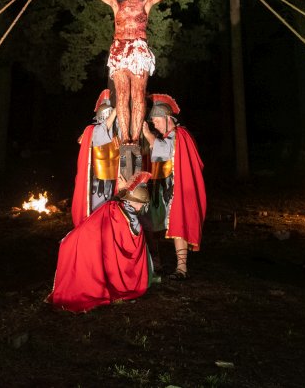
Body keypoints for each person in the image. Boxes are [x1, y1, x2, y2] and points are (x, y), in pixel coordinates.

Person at [62, 0, 207, 146]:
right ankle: (126, 140)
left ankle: (135, 139)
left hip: (138, 50)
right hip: (119, 50)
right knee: (122, 96)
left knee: (138, 95)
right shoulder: (114, 1)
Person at [49, 171, 152, 312]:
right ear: (130, 200)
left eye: (142, 204)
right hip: (86, 241)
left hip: (86, 240)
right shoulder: (116, 211)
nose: (140, 207)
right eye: (138, 203)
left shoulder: (119, 209)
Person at [141, 93, 206, 280]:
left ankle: (182, 269)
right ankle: (160, 265)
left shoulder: (179, 135)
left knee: (179, 224)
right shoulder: (170, 136)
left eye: (156, 121)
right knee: (159, 225)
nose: (155, 125)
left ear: (167, 118)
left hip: (179, 189)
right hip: (166, 189)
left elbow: (165, 150)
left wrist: (149, 136)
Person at [71, 88, 120, 227]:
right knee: (96, 218)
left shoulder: (116, 135)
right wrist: (116, 110)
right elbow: (101, 133)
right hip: (97, 185)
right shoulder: (92, 132)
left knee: (109, 219)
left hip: (113, 184)